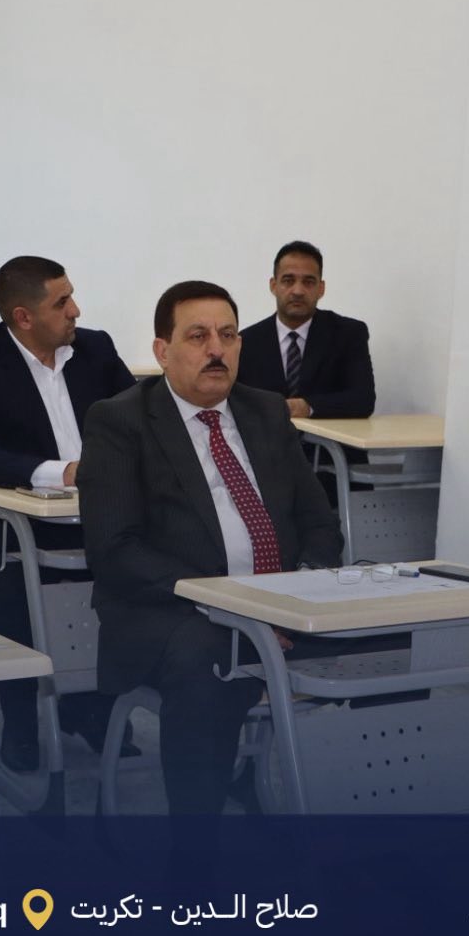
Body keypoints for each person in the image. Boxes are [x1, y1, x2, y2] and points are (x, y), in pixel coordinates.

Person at [78, 280, 344, 814]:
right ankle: (195, 841)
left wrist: (297, 593)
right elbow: (115, 550)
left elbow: (320, 523)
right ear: (163, 350)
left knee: (396, 638)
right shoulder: (119, 421)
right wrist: (230, 605)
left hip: (282, 604)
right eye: (198, 336)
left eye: (228, 335)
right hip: (172, 610)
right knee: (212, 658)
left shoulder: (266, 411)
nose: (216, 350)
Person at [0, 255, 136, 771]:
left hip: (94, 523)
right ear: (23, 317)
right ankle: (22, 724)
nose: (76, 310)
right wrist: (64, 472)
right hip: (1, 528)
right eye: (62, 302)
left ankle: (95, 709)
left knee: (139, 576)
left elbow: (139, 420)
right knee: (17, 590)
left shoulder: (95, 348)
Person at [237, 240, 375, 419]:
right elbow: (236, 401)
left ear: (321, 289)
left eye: (308, 282)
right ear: (273, 286)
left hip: (324, 437)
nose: (298, 291)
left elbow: (363, 399)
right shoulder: (247, 341)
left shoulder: (348, 334)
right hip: (264, 437)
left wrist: (307, 406)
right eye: (288, 280)